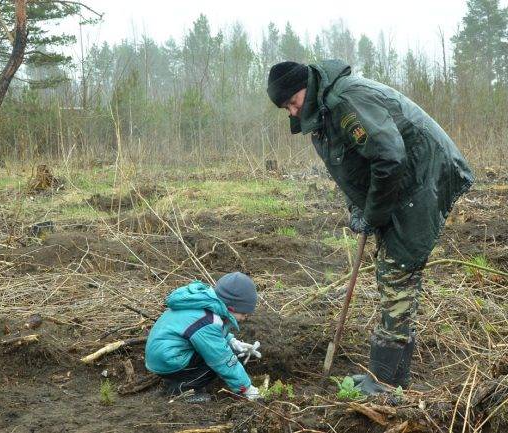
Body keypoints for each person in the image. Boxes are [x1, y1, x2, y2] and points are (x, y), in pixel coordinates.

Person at [267, 60, 474, 394]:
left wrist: (373, 215)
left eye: (293, 101)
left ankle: (387, 381)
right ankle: (390, 373)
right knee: (393, 270)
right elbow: (350, 171)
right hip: (400, 184)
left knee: (397, 270)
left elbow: (389, 157)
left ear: (307, 85)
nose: (292, 112)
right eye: (286, 108)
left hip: (422, 176)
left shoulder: (347, 102)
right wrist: (358, 210)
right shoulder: (321, 116)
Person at [145, 272, 262, 402]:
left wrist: (231, 341)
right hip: (167, 361)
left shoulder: (206, 303)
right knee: (216, 363)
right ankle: (181, 390)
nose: (245, 317)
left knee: (223, 352)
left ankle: (177, 380)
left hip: (164, 353)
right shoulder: (208, 321)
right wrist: (246, 388)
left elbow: (209, 332)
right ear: (231, 308)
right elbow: (222, 360)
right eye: (244, 313)